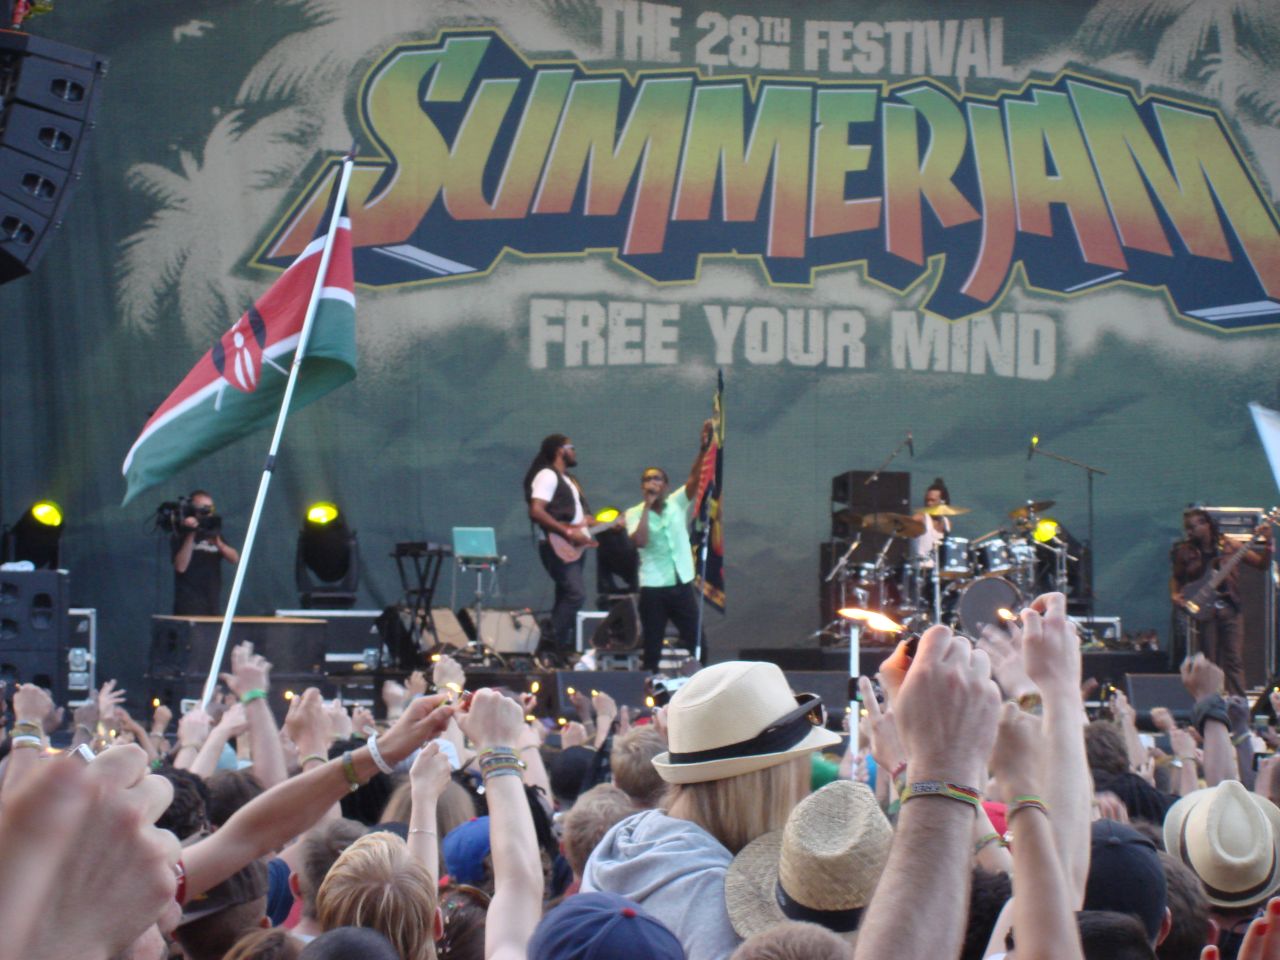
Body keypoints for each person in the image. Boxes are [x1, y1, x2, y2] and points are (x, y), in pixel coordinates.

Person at [582, 660, 841, 959]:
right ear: (768, 787)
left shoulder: (625, 841)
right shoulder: (723, 904)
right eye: (800, 776)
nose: (804, 793)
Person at [625, 420, 714, 671]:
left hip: (681, 583)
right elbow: (640, 541)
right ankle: (650, 687)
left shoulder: (676, 503)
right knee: (652, 647)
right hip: (653, 588)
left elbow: (695, 478)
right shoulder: (634, 513)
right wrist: (647, 505)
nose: (652, 482)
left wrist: (703, 449)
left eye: (657, 479)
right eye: (647, 479)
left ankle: (696, 682)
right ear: (642, 486)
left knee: (698, 642)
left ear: (665, 485)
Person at [1170, 508, 1271, 697]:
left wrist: (1269, 543)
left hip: (1229, 607)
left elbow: (1262, 565)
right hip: (1205, 610)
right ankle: (1212, 702)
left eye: (1192, 527)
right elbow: (1176, 577)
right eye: (1187, 528)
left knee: (1234, 659)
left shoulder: (1229, 545)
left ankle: (1238, 703)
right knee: (1210, 660)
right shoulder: (1185, 551)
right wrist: (1175, 594)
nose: (1189, 532)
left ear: (1206, 524)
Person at [525, 435, 593, 657]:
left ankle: (555, 652)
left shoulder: (569, 480)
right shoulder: (547, 475)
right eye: (571, 447)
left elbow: (575, 516)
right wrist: (567, 532)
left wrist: (592, 523)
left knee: (565, 596)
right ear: (559, 450)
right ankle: (548, 642)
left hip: (572, 546)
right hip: (556, 544)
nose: (574, 451)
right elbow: (536, 511)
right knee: (575, 594)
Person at [172, 489, 239, 616]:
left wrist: (219, 544)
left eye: (211, 509)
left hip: (212, 605)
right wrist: (191, 533)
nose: (208, 513)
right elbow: (180, 567)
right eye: (204, 509)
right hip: (188, 608)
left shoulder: (213, 532)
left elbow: (235, 558)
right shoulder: (181, 535)